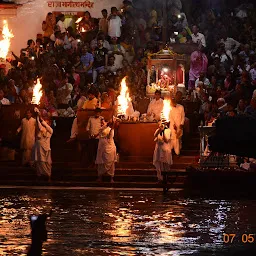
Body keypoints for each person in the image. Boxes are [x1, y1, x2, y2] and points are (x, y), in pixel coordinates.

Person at [32, 111, 53, 181]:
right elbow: (39, 125)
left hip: (46, 148)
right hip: (39, 148)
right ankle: (40, 175)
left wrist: (41, 119)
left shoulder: (50, 130)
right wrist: (38, 117)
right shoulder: (42, 129)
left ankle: (48, 175)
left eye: (47, 122)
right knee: (39, 161)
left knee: (48, 162)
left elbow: (45, 126)